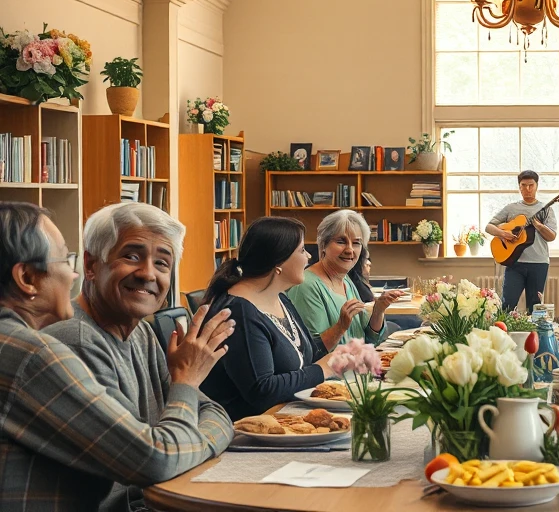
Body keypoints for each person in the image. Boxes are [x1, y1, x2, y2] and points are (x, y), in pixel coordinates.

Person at [0, 201, 233, 510]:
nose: (148, 273)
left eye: (162, 263)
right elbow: (157, 460)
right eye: (131, 256)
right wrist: (187, 383)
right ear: (92, 266)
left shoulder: (141, 333)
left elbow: (213, 414)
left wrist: (187, 437)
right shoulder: (52, 348)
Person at [200, 217, 338, 420]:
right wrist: (324, 369)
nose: (309, 256)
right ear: (279, 262)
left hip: (280, 417)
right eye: (301, 250)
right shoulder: (239, 312)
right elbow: (261, 391)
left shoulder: (279, 296)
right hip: (242, 433)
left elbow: (301, 355)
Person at [288, 210, 404, 348]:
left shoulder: (346, 281)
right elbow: (311, 352)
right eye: (341, 241)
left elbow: (370, 340)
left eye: (356, 243)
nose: (349, 250)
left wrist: (378, 311)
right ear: (323, 244)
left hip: (359, 367)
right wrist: (340, 327)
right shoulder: (306, 286)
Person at [486, 170, 558, 312]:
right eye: (523, 185)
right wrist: (503, 234)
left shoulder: (546, 210)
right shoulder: (511, 208)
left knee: (535, 308)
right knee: (507, 305)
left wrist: (539, 226)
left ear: (537, 186)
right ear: (519, 187)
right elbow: (489, 227)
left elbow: (552, 236)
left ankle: (534, 335)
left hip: (539, 263)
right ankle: (504, 334)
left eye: (531, 185)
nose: (527, 189)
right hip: (514, 263)